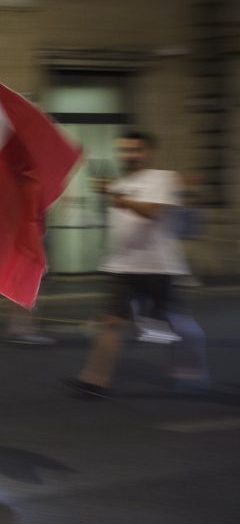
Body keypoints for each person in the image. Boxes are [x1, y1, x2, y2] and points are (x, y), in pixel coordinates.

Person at [65, 131, 208, 397]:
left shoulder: (162, 178)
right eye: (125, 150)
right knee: (110, 323)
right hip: (123, 268)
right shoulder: (120, 183)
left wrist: (121, 199)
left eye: (135, 150)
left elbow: (154, 212)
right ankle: (95, 380)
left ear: (148, 152)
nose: (129, 155)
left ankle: (192, 370)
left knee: (175, 321)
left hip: (158, 267)